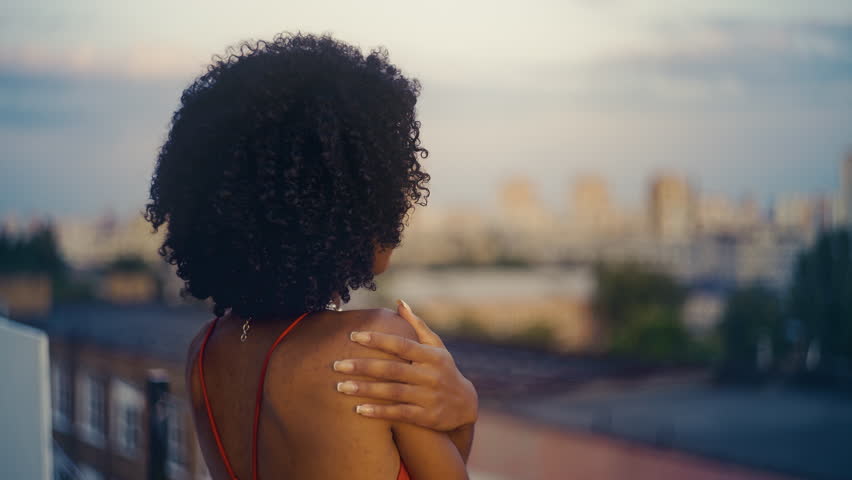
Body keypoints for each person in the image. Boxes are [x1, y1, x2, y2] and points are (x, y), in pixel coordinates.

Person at [144, 32, 478, 480]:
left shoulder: (204, 354)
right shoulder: (375, 343)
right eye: (388, 184)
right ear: (343, 199)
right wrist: (466, 406)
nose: (400, 203)